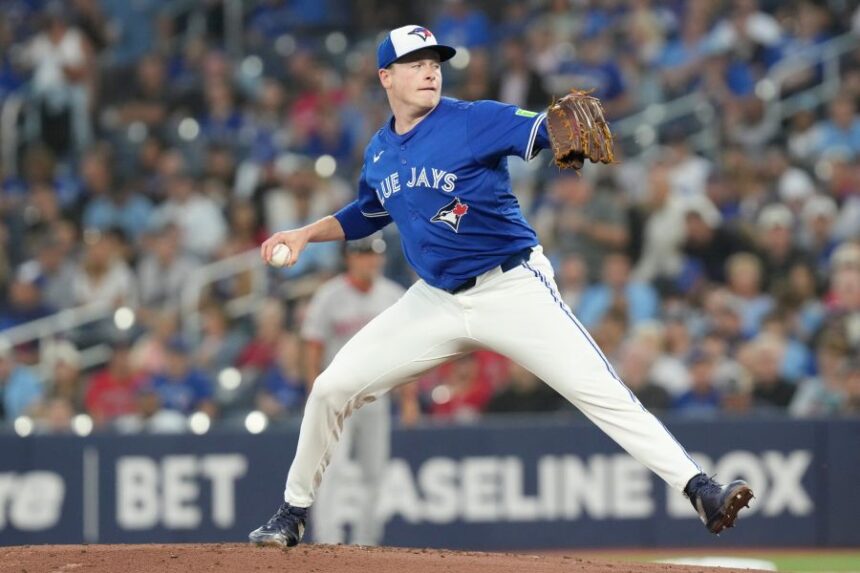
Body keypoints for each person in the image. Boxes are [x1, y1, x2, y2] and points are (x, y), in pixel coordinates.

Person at [249, 25, 753, 548]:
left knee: (601, 393)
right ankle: (292, 512)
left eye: (435, 62)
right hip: (436, 300)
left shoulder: (473, 119)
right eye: (416, 62)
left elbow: (541, 128)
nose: (429, 71)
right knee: (331, 388)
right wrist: (307, 232)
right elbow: (368, 212)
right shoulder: (379, 152)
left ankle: (701, 490)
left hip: (512, 287)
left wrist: (556, 129)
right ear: (386, 77)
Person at [300, 234, 405, 546]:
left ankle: (366, 543)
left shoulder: (394, 295)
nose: (369, 261)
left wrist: (409, 398)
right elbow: (313, 347)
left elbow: (407, 351)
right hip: (338, 397)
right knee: (332, 469)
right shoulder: (329, 296)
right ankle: (328, 541)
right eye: (362, 255)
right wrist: (313, 392)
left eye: (374, 255)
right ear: (350, 258)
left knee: (375, 471)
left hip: (377, 396)